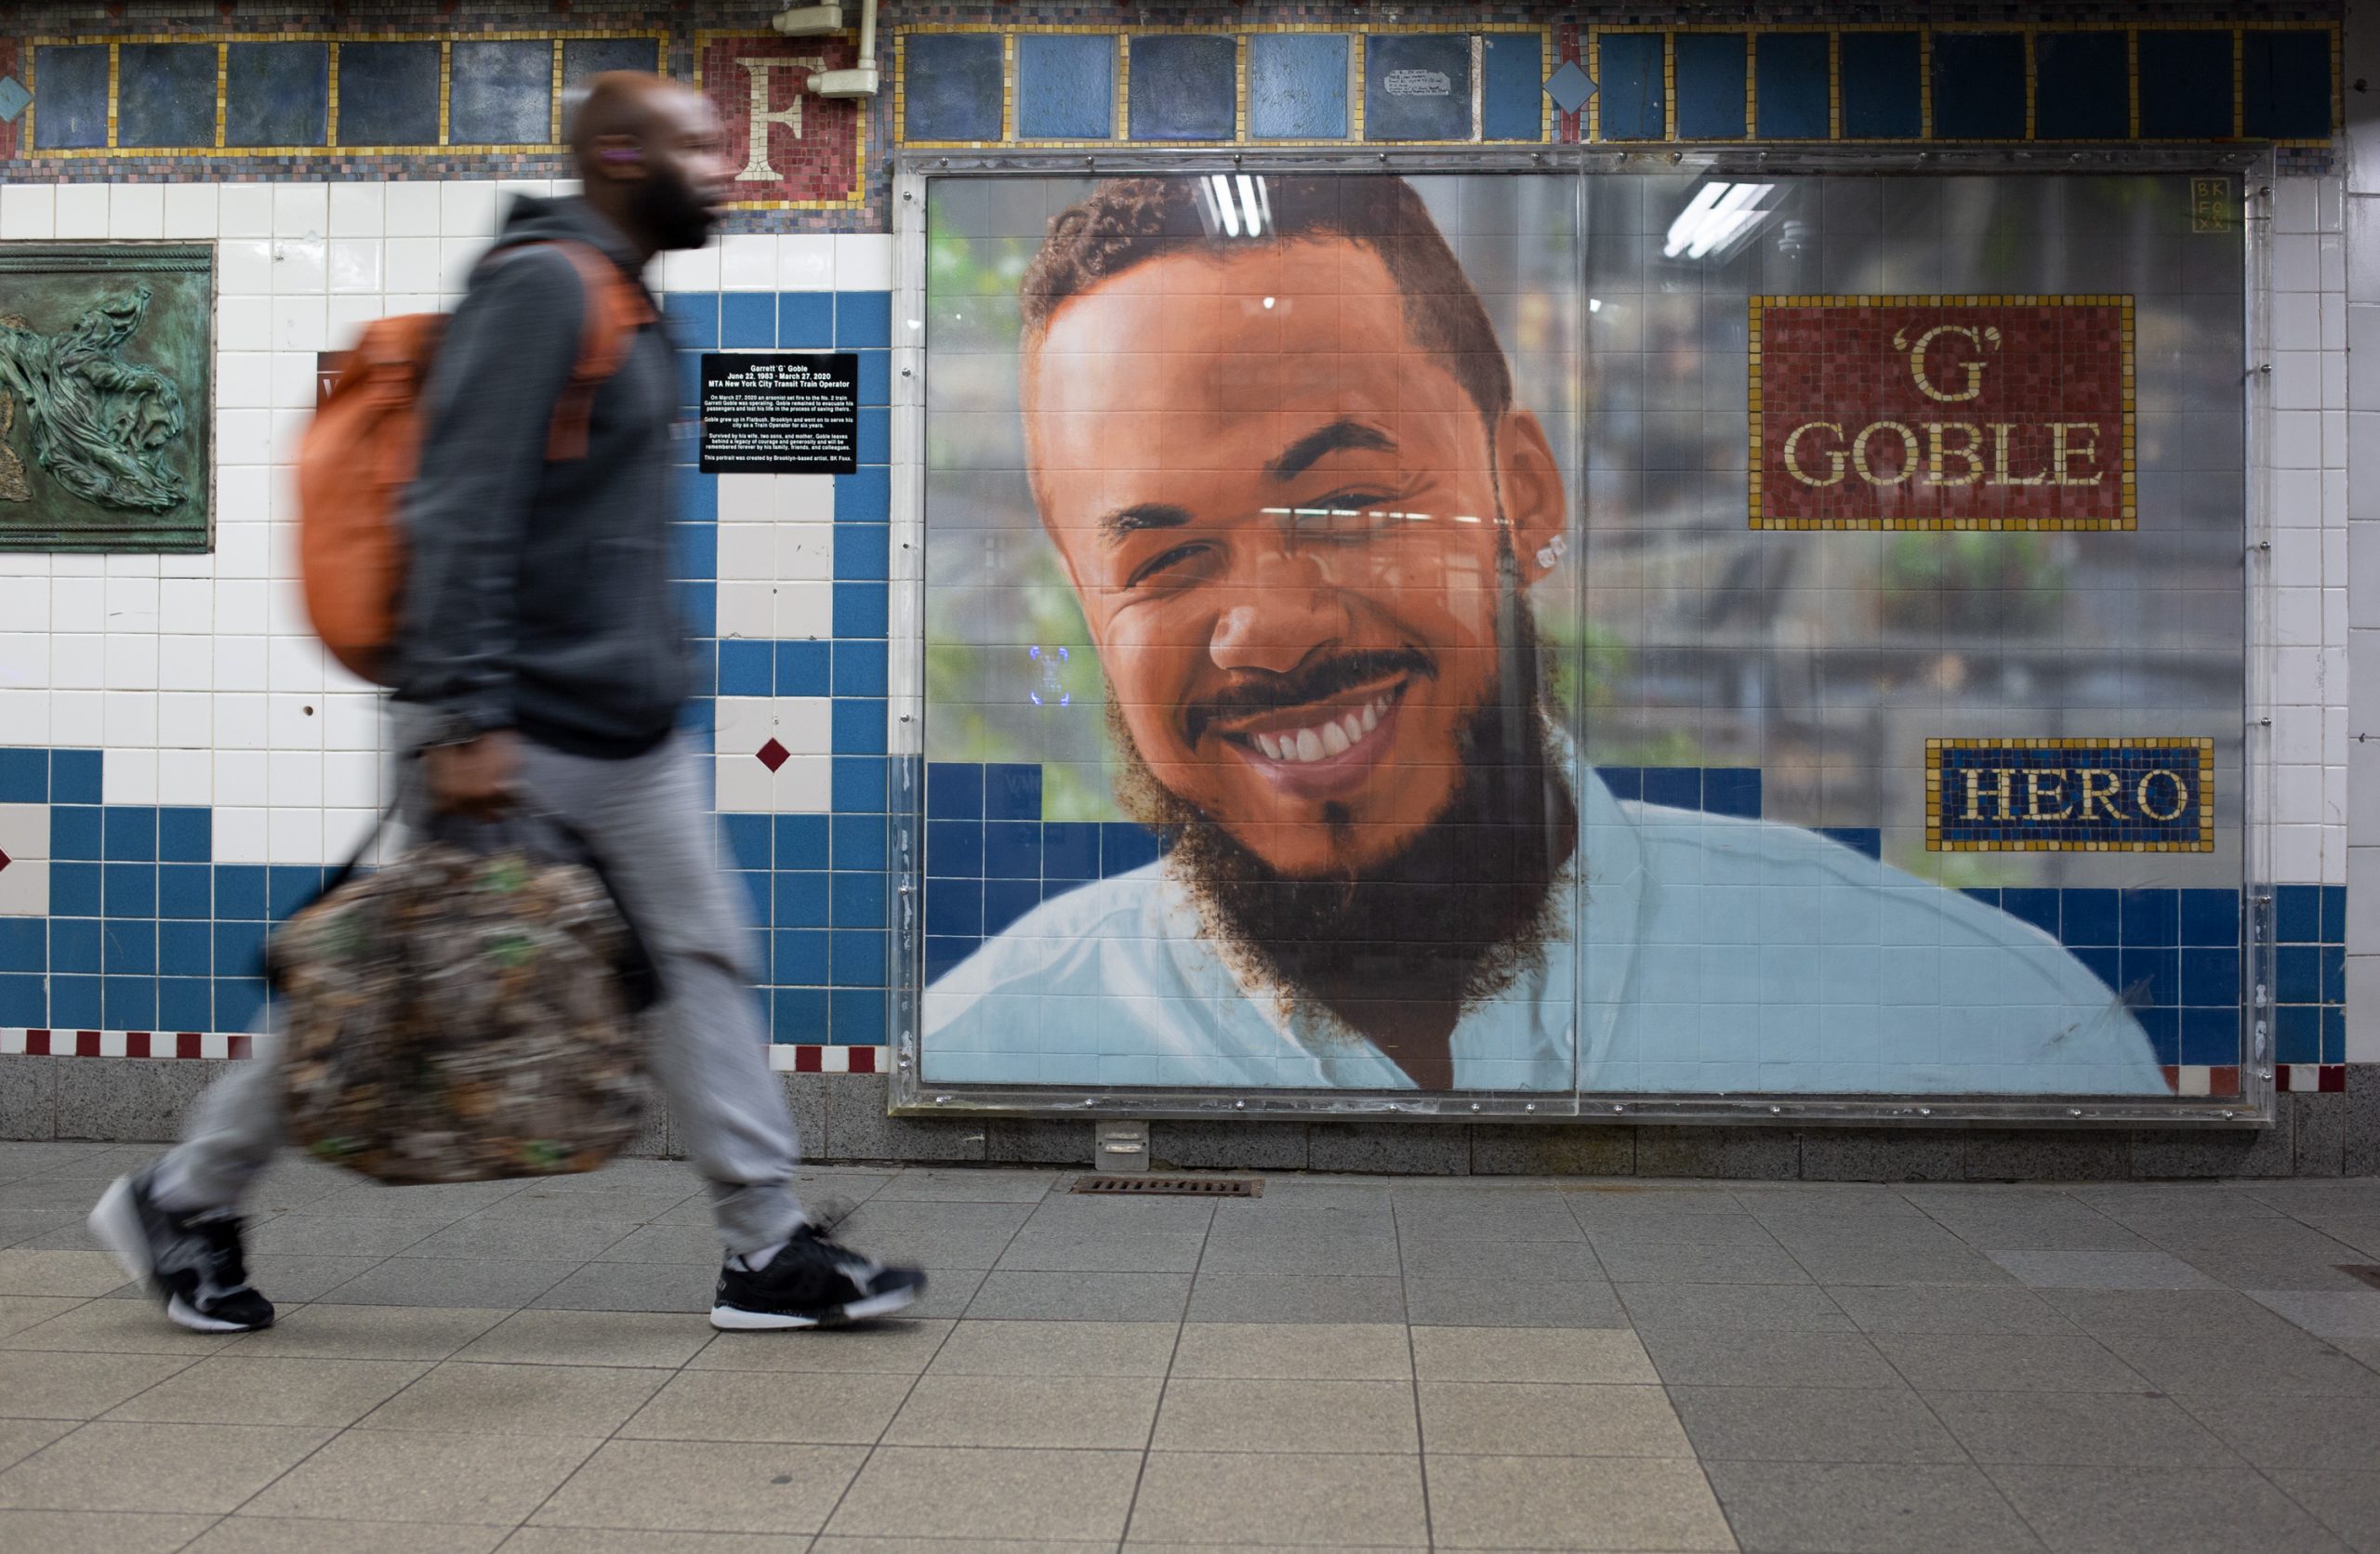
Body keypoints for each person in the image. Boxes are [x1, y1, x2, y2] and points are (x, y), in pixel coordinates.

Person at [922, 175, 2169, 1099]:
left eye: (1347, 502)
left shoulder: (1979, 1026)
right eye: (1165, 560)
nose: (1271, 630)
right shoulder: (995, 1046)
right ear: (1093, 615)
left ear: (1523, 494)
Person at [89, 73, 924, 1336]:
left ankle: (767, 1250)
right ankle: (183, 1200)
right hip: (511, 732)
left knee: (698, 959)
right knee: (388, 978)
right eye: (703, 148)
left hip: (622, 735)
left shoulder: (627, 297)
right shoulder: (542, 288)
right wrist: (468, 716)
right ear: (622, 156)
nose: (730, 170)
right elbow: (459, 511)